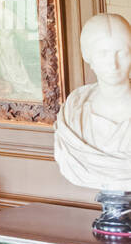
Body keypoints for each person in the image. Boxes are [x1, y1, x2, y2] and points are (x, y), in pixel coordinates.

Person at [55, 14, 131, 191]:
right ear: (89, 57)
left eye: (121, 53)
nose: (113, 64)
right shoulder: (74, 110)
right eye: (103, 54)